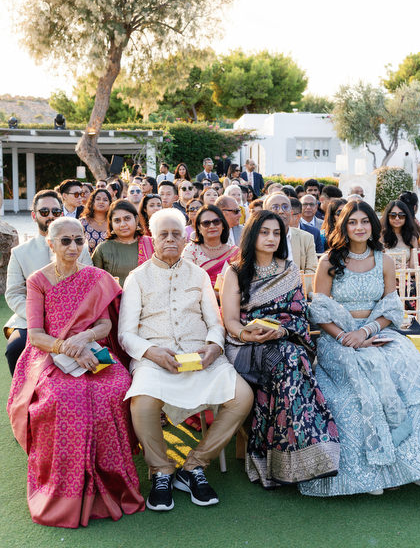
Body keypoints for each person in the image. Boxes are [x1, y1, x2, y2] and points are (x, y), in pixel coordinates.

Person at [298, 200, 420, 497]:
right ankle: (374, 471)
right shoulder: (329, 261)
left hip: (378, 333)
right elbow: (320, 311)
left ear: (372, 225)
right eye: (352, 222)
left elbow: (391, 308)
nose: (359, 227)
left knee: (405, 369)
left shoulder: (385, 260)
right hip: (337, 339)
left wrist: (367, 330)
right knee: (361, 380)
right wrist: (347, 337)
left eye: (364, 222)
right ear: (344, 226)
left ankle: (419, 465)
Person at [7, 218, 145, 527]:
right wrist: (67, 347)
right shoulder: (38, 281)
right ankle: (65, 490)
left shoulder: (97, 277)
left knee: (115, 387)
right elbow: (36, 335)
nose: (73, 247)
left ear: (86, 243)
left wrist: (83, 340)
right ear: (51, 244)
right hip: (48, 355)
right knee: (60, 398)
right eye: (65, 241)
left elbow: (106, 325)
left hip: (93, 350)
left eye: (78, 240)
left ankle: (113, 483)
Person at [118, 208, 254, 511]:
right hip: (155, 358)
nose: (170, 239)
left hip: (200, 357)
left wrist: (214, 347)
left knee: (242, 396)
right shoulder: (137, 278)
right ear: (152, 239)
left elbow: (216, 322)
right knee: (141, 400)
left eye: (176, 234)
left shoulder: (199, 274)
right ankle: (162, 470)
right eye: (163, 234)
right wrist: (152, 352)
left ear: (185, 239)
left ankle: (194, 465)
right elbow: (126, 334)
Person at [221, 211, 340, 488]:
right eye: (264, 232)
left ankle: (290, 458)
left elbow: (300, 314)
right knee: (288, 358)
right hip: (245, 346)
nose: (271, 238)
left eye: (276, 233)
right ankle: (302, 452)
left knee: (290, 356)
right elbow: (229, 321)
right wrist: (248, 334)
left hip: (285, 339)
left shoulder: (288, 269)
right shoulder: (236, 271)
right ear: (252, 235)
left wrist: (282, 331)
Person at [4, 190, 92, 375]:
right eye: (44, 212)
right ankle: (22, 399)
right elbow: (14, 294)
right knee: (15, 347)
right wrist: (39, 318)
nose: (51, 216)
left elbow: (89, 287)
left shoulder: (79, 248)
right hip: (31, 320)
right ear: (34, 215)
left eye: (56, 211)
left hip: (74, 318)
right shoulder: (20, 253)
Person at [92, 200, 153, 286]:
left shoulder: (151, 244)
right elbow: (95, 283)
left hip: (146, 297)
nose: (123, 224)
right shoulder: (103, 249)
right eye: (117, 221)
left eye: (127, 218)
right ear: (111, 224)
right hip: (115, 298)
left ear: (136, 220)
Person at [182, 205, 239, 289]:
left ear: (223, 225)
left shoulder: (235, 253)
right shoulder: (191, 250)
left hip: (230, 299)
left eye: (216, 222)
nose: (212, 226)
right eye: (206, 223)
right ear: (199, 228)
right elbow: (186, 280)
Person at [263, 193, 318, 279]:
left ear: (291, 212)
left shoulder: (306, 238)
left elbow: (311, 271)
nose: (281, 211)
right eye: (275, 207)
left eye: (285, 207)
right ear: (265, 212)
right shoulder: (258, 238)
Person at [381, 200, 419, 267]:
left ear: (406, 217)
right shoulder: (381, 237)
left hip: (406, 276)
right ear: (387, 217)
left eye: (401, 215)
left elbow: (414, 267)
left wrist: (404, 269)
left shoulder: (412, 239)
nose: (397, 218)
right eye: (393, 215)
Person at [79, 188, 112, 254]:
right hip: (86, 262)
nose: (101, 202)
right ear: (92, 202)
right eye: (98, 199)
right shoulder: (82, 223)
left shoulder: (113, 223)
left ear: (109, 204)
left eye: (105, 200)